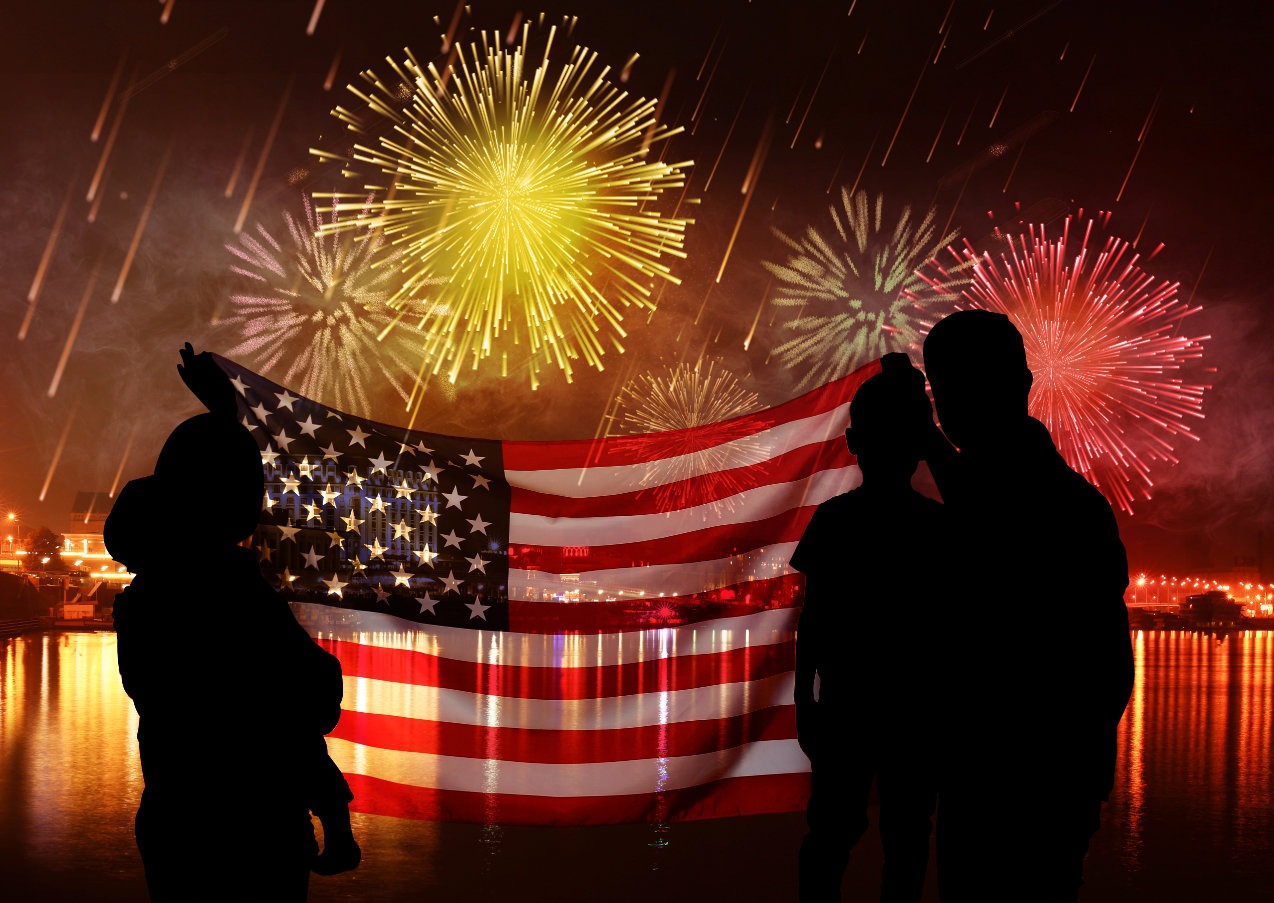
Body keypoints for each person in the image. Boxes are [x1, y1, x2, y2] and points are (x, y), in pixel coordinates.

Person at [106, 343, 360, 902]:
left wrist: (228, 418)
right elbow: (300, 710)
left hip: (177, 825)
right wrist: (337, 823)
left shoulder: (149, 599)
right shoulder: (233, 596)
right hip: (254, 832)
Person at [912, 310, 1134, 902]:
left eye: (954, 386)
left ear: (1015, 385)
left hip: (1011, 778)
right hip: (1053, 775)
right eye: (940, 388)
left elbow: (990, 522)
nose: (948, 403)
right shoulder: (1070, 501)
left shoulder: (1036, 503)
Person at [791, 352, 945, 903]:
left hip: (848, 706)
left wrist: (804, 705)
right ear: (918, 445)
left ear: (854, 444)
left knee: (831, 837)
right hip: (915, 711)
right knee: (906, 839)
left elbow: (812, 627)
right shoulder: (938, 528)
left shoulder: (833, 521)